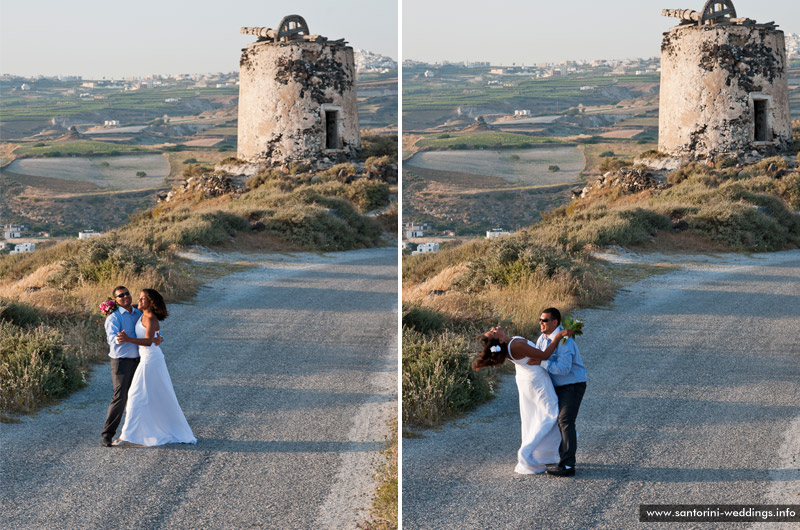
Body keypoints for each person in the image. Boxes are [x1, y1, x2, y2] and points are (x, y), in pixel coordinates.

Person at [474, 325, 573, 474]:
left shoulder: (509, 345)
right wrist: (559, 336)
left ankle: (542, 455)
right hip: (537, 381)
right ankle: (525, 453)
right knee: (550, 414)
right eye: (494, 331)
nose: (495, 327)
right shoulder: (516, 345)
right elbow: (544, 355)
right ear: (500, 339)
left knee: (536, 416)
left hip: (526, 379)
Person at [115, 289, 196, 446]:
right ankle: (142, 431)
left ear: (150, 303)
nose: (138, 300)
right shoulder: (141, 312)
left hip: (150, 360)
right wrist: (112, 304)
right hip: (147, 358)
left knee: (136, 395)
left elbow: (149, 341)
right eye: (139, 297)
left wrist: (128, 339)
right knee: (153, 396)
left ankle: (126, 435)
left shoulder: (151, 319)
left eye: (142, 299)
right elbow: (127, 305)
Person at [530, 307, 587, 477]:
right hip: (555, 386)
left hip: (573, 385)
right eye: (540, 319)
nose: (541, 323)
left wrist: (541, 363)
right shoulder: (542, 339)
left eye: (545, 320)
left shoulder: (565, 341)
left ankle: (569, 465)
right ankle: (554, 456)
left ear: (555, 322)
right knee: (551, 420)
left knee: (565, 421)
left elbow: (563, 369)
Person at [101, 286, 161, 447]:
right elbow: (111, 338)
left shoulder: (138, 312)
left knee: (140, 396)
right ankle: (107, 434)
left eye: (127, 293)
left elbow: (149, 328)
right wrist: (119, 339)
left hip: (140, 361)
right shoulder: (113, 318)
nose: (126, 296)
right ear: (116, 300)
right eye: (121, 295)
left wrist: (159, 336)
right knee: (120, 398)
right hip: (121, 361)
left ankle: (140, 432)